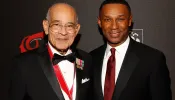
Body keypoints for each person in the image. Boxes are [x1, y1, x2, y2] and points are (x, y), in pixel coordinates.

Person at [90, 0, 172, 100]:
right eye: (107, 19)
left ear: (129, 21)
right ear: (99, 22)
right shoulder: (91, 58)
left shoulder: (153, 59)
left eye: (120, 19)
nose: (114, 26)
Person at [9, 3, 92, 100]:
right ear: (46, 26)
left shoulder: (86, 59)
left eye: (69, 26)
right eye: (56, 25)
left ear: (76, 29)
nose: (63, 32)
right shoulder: (23, 64)